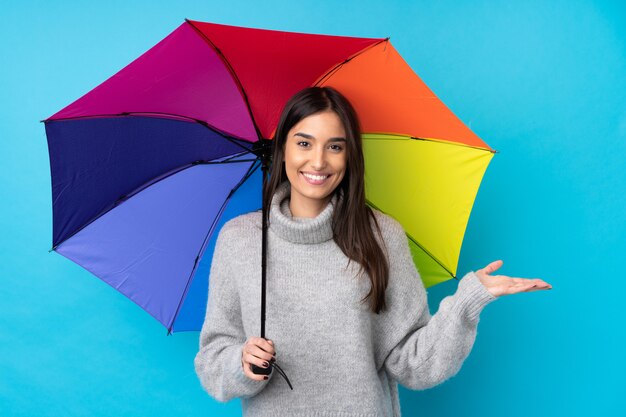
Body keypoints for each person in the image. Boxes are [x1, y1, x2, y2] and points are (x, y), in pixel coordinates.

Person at [194, 86, 552, 416]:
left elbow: (413, 362)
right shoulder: (240, 239)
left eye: (335, 146)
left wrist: (468, 301)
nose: (318, 162)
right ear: (282, 149)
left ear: (350, 155)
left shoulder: (381, 235)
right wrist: (240, 363)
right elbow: (213, 359)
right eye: (304, 143)